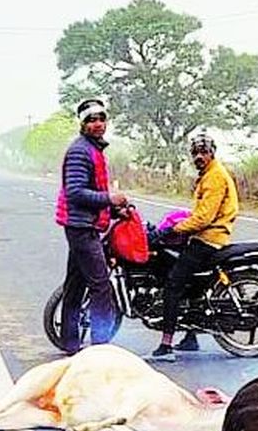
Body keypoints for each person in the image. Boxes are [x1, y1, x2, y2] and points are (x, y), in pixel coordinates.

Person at [149, 131, 238, 362]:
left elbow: (203, 218)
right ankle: (191, 336)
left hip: (208, 238)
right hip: (205, 235)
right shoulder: (208, 174)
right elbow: (199, 213)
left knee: (173, 283)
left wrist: (171, 230)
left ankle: (166, 346)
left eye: (204, 152)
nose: (199, 156)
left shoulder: (214, 177)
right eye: (195, 152)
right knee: (192, 285)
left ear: (212, 153)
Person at [56, 97, 128, 352]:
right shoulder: (80, 151)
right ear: (83, 124)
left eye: (101, 119)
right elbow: (75, 192)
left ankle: (69, 340)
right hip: (81, 227)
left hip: (83, 224)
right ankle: (101, 345)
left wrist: (114, 207)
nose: (97, 124)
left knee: (75, 284)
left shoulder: (93, 149)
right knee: (100, 285)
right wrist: (109, 198)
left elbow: (90, 189)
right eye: (91, 120)